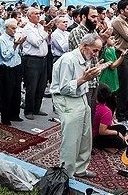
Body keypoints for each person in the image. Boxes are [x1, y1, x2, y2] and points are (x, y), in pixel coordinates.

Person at [50, 33, 108, 178]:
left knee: (85, 137)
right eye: (94, 50)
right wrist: (83, 79)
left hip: (81, 97)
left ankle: (80, 169)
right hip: (67, 100)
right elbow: (64, 88)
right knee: (71, 139)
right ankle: (66, 175)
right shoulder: (68, 60)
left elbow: (83, 80)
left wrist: (94, 73)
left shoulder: (85, 57)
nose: (96, 54)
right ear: (84, 46)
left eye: (98, 51)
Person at [19, 7, 51, 120]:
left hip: (43, 59)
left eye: (39, 13)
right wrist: (45, 32)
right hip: (32, 60)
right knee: (31, 86)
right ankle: (29, 110)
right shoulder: (27, 29)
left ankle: (37, 108)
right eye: (35, 14)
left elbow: (47, 42)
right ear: (29, 16)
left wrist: (48, 33)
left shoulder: (41, 27)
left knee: (41, 86)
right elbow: (36, 42)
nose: (38, 16)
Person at [0, 18, 27, 125]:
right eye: (13, 28)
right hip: (6, 69)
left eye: (16, 28)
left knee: (16, 92)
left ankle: (15, 114)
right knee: (6, 93)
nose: (15, 30)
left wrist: (20, 45)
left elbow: (19, 53)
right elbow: (5, 56)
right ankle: (5, 117)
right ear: (6, 28)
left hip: (16, 66)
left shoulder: (15, 37)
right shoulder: (1, 40)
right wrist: (15, 45)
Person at [92, 84, 128, 153]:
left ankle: (109, 145)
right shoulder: (106, 111)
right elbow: (102, 131)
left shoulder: (92, 104)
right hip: (95, 137)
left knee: (122, 128)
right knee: (118, 140)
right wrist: (117, 133)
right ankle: (120, 142)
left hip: (94, 132)